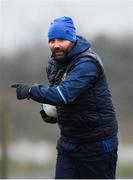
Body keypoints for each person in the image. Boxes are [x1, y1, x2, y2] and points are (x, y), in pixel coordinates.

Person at [11, 16, 118, 179]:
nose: (56, 45)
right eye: (52, 40)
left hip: (97, 145)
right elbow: (61, 99)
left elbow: (64, 94)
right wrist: (51, 112)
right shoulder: (55, 65)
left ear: (72, 39)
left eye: (61, 39)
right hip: (68, 143)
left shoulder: (87, 63)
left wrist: (31, 91)